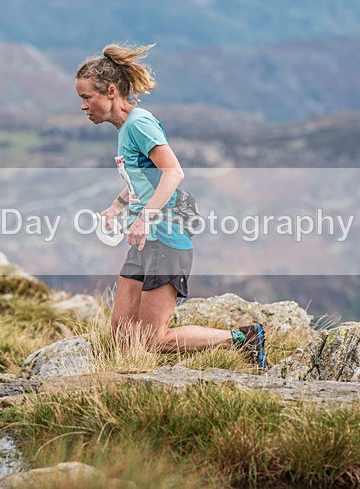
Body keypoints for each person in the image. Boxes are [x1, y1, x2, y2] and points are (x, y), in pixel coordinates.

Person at [75, 43, 267, 370]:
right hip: (145, 242)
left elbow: (173, 172)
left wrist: (144, 218)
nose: (82, 106)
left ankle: (243, 338)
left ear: (110, 92)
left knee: (152, 339)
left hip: (166, 239)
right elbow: (142, 179)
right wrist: (117, 207)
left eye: (86, 97)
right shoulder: (125, 129)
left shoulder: (139, 124)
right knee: (122, 333)